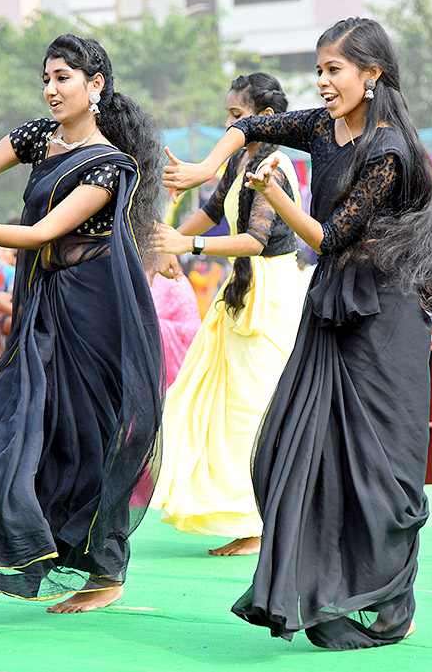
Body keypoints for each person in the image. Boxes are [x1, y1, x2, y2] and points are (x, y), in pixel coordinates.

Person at [162, 17, 432, 649]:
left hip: (384, 316)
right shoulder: (321, 127)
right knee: (285, 452)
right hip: (331, 309)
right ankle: (321, 590)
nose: (321, 81)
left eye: (334, 70)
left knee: (380, 473)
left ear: (371, 75)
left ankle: (381, 600)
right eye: (318, 69)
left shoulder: (389, 150)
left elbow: (329, 235)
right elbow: (251, 125)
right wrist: (209, 164)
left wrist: (271, 191)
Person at [0, 33, 163, 613]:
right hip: (43, 301)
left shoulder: (110, 165)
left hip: (93, 307)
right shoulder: (37, 136)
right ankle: (30, 544)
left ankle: (106, 573)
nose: (52, 90)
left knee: (89, 435)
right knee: (20, 420)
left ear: (95, 85)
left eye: (64, 78)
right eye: (46, 79)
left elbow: (42, 233)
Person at [152, 73, 304, 556]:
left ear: (263, 119)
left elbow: (256, 241)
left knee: (252, 410)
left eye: (235, 117)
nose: (227, 124)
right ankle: (246, 517)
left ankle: (261, 522)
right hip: (238, 293)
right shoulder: (242, 157)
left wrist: (188, 244)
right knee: (200, 398)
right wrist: (168, 243)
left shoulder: (274, 167)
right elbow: (213, 210)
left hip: (270, 297)